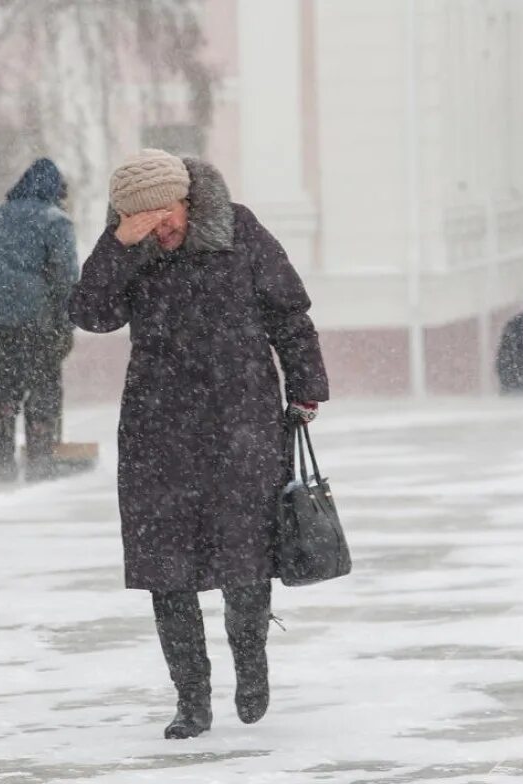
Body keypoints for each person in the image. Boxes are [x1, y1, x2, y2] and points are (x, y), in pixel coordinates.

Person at [68, 148, 329, 739]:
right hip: (157, 426)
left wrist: (306, 386)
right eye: (144, 221)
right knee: (167, 569)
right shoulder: (130, 251)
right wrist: (119, 246)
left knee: (245, 557)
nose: (162, 228)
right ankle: (191, 699)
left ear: (188, 200)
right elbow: (90, 314)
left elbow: (288, 312)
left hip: (242, 417)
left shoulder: (239, 229)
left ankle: (251, 663)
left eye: (167, 214)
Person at [0, 158, 78, 481]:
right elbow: (66, 278)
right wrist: (66, 324)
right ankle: (40, 462)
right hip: (35, 319)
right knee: (42, 385)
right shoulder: (56, 222)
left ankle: (3, 459)